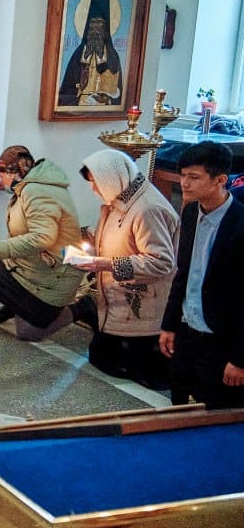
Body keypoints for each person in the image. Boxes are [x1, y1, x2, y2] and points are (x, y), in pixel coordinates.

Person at [74, 149, 178, 389]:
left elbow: (161, 261)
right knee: (100, 357)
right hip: (116, 301)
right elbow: (114, 234)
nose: (93, 189)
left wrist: (107, 264)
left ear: (112, 178)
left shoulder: (147, 209)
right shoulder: (121, 199)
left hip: (142, 304)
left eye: (96, 182)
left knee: (131, 366)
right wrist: (81, 235)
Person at [160, 141, 244, 409]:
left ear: (220, 180)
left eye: (194, 177)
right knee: (179, 403)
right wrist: (169, 324)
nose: (184, 183)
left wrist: (240, 359)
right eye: (183, 175)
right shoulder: (190, 212)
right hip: (187, 330)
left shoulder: (240, 223)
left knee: (216, 410)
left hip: (222, 338)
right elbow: (183, 273)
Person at [0, 145, 87, 341]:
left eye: (3, 175)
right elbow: (26, 197)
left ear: (15, 173)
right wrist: (6, 185)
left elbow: (43, 238)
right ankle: (14, 304)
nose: (1, 178)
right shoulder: (31, 184)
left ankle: (82, 308)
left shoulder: (36, 191)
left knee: (28, 332)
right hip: (37, 266)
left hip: (55, 274)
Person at [58, 0, 124, 107]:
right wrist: (79, 101)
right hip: (79, 105)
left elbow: (118, 93)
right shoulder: (78, 54)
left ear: (105, 27)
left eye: (99, 23)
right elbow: (66, 89)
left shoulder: (112, 56)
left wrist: (107, 99)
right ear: (88, 26)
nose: (95, 28)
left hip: (101, 108)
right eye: (93, 22)